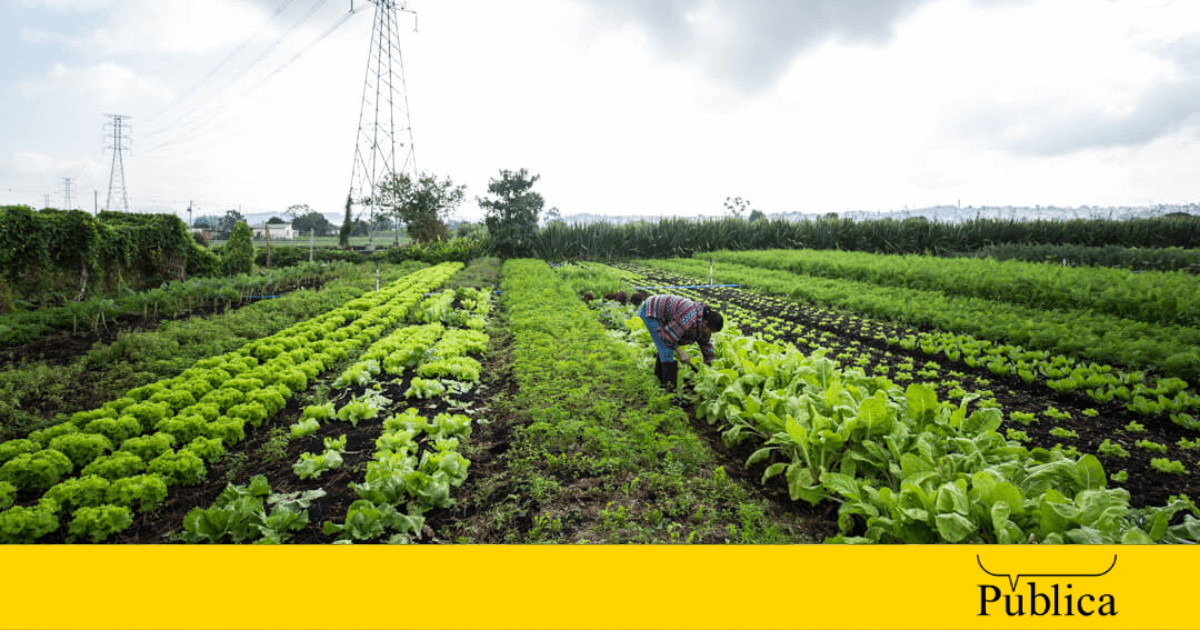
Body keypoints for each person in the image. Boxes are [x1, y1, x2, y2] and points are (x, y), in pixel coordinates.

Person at [636, 294, 724, 390]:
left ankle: (658, 380)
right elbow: (668, 337)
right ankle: (669, 390)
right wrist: (681, 353)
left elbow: (707, 347)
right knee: (666, 350)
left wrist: (711, 370)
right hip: (652, 312)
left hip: (665, 318)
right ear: (705, 323)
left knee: (664, 349)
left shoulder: (703, 326)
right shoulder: (690, 315)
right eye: (711, 331)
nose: (709, 334)